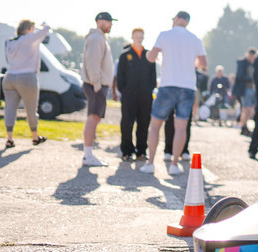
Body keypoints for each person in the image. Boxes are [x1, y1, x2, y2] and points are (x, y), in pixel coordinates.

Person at [141, 11, 207, 175]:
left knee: (155, 125)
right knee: (181, 127)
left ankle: (150, 163)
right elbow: (203, 63)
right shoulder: (195, 39)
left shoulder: (164, 35)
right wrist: (189, 62)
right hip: (187, 86)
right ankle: (174, 165)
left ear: (177, 19)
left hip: (167, 84)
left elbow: (151, 57)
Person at [1, 19, 51, 149]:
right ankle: (35, 137)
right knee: (31, 108)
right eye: (33, 28)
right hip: (27, 77)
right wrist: (44, 24)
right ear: (28, 28)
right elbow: (45, 31)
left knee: (10, 109)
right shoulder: (29, 38)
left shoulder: (11, 42)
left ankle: (9, 139)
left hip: (10, 76)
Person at [115, 28, 157, 162]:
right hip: (129, 96)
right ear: (132, 37)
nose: (139, 38)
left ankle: (141, 151)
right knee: (127, 123)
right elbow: (120, 77)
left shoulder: (149, 55)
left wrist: (149, 89)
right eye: (136, 36)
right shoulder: (125, 55)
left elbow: (153, 77)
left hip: (145, 96)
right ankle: (127, 151)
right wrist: (125, 90)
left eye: (141, 36)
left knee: (144, 124)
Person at [81, 11, 116, 167]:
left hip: (98, 84)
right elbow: (92, 63)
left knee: (95, 118)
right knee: (93, 118)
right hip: (96, 85)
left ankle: (89, 154)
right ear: (100, 21)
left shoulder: (100, 38)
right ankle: (88, 155)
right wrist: (96, 84)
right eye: (108, 21)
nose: (111, 24)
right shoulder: (96, 38)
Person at [232, 48, 258, 136]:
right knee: (246, 109)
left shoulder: (253, 64)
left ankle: (244, 125)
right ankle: (243, 126)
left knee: (250, 110)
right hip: (245, 89)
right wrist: (251, 79)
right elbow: (240, 76)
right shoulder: (242, 63)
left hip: (252, 89)